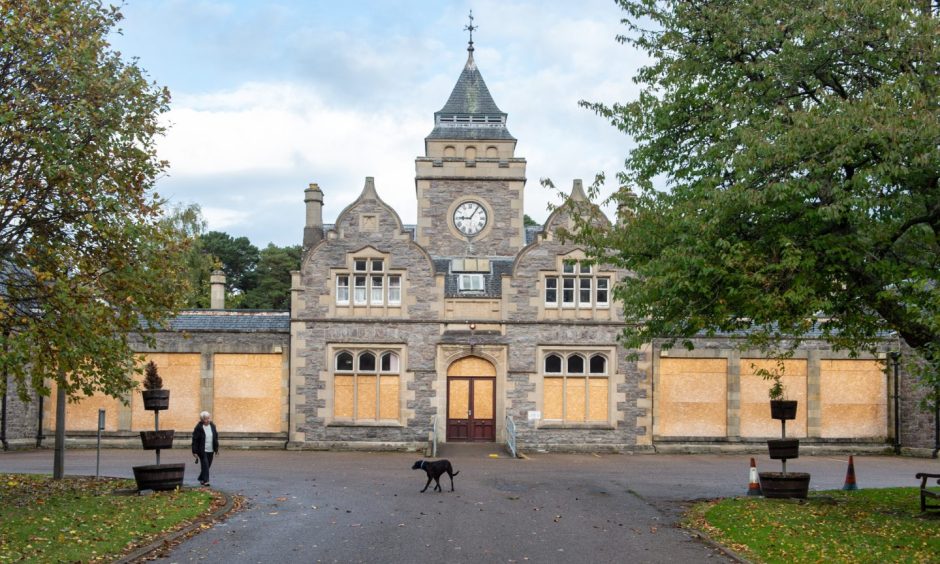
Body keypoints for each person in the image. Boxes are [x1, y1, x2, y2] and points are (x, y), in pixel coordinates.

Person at [191, 411, 219, 486]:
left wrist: (216, 449)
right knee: (205, 464)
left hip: (211, 449)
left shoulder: (212, 426)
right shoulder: (198, 428)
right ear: (202, 419)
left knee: (208, 465)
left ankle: (201, 478)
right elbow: (195, 440)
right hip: (202, 450)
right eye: (206, 419)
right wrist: (194, 451)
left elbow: (215, 437)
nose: (208, 420)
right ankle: (206, 481)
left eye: (208, 418)